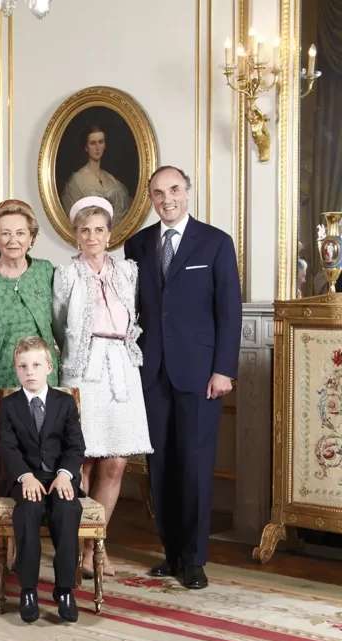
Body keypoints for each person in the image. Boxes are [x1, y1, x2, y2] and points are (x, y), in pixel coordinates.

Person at [123, 166, 242, 590]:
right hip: (151, 373)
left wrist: (224, 369)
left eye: (173, 190)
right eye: (158, 193)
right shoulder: (136, 245)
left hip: (200, 374)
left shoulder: (215, 242)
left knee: (194, 465)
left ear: (187, 194)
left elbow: (229, 311)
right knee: (161, 467)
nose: (166, 199)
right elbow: (131, 310)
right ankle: (171, 553)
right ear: (151, 200)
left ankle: (194, 559)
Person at [52, 197, 152, 575]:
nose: (91, 237)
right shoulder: (66, 275)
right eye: (84, 231)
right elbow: (60, 322)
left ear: (110, 234)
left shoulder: (128, 271)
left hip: (123, 370)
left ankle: (96, 544)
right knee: (84, 462)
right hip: (82, 369)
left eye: (98, 230)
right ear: (75, 236)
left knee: (116, 462)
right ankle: (77, 546)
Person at [0, 200, 58, 490]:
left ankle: (36, 515)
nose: (13, 240)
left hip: (39, 377)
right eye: (5, 233)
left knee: (41, 447)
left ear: (31, 237)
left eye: (20, 233)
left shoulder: (46, 272)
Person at [0, 336, 85, 624]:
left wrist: (64, 475)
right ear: (16, 370)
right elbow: (7, 446)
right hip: (27, 479)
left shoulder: (65, 402)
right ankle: (29, 590)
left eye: (35, 365)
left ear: (49, 367)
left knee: (68, 510)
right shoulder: (10, 406)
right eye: (23, 366)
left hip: (60, 477)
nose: (30, 371)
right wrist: (25, 477)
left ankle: (65, 589)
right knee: (29, 512)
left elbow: (75, 447)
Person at [60, 124, 132, 227]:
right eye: (93, 143)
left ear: (105, 145)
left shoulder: (111, 179)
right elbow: (74, 219)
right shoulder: (76, 181)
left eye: (101, 142)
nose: (97, 148)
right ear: (86, 147)